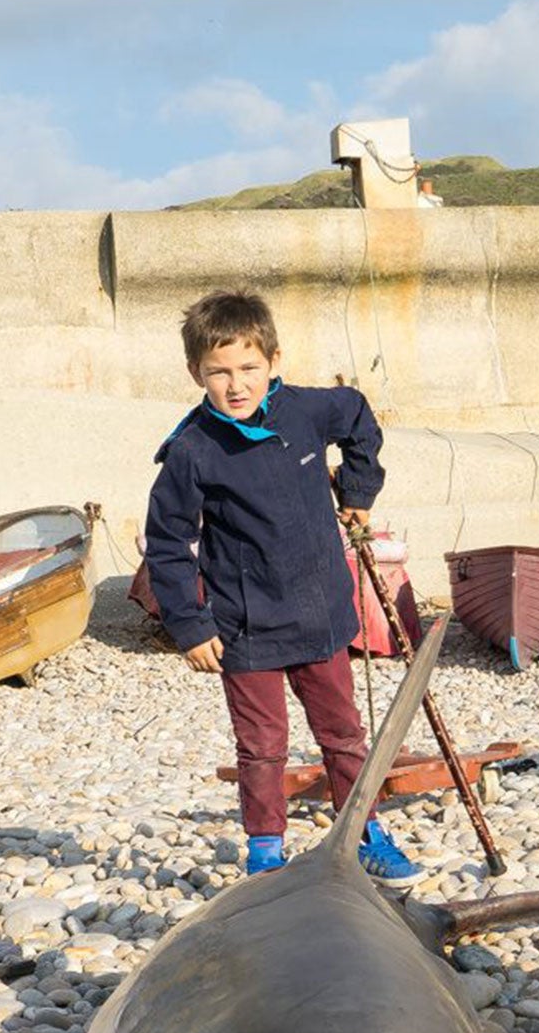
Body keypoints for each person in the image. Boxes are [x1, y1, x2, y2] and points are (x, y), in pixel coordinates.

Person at [143, 290, 422, 882]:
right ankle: (266, 852)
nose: (235, 384)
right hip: (245, 630)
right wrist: (190, 626)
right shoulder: (191, 452)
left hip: (321, 616)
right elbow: (168, 543)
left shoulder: (306, 411)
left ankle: (366, 830)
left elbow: (359, 418)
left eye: (248, 368)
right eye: (218, 372)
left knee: (344, 734)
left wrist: (358, 493)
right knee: (262, 746)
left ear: (272, 360)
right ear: (196, 373)